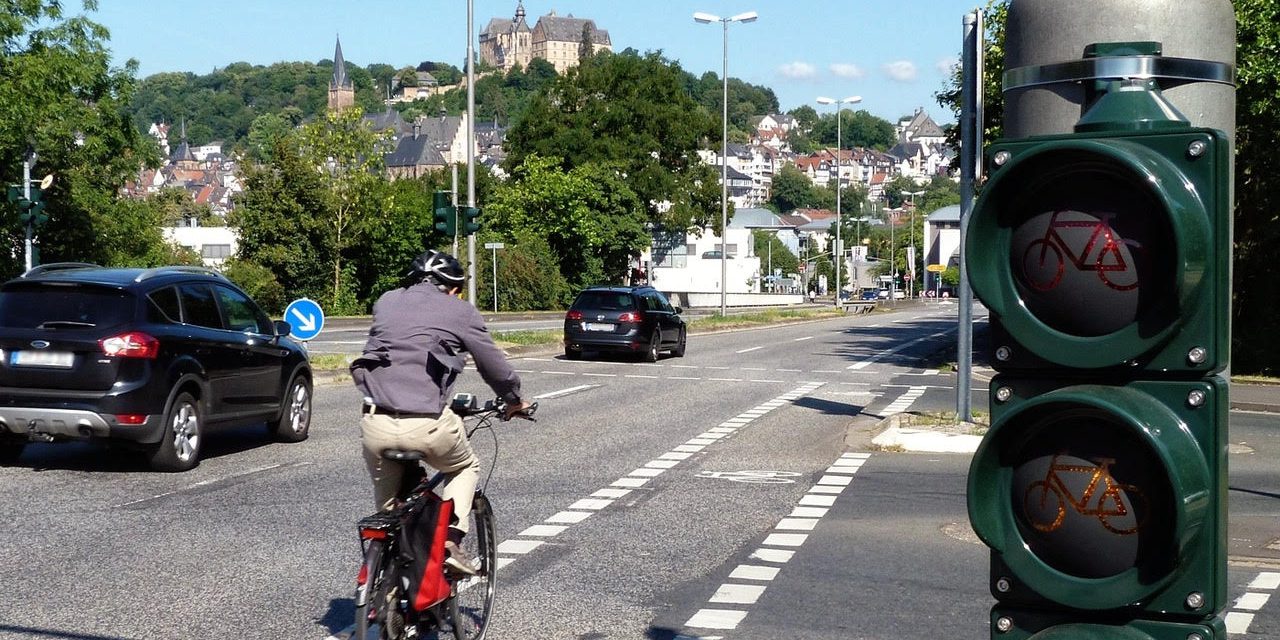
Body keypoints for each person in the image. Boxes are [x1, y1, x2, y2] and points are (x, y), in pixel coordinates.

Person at [351, 249, 531, 574]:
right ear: (453, 288)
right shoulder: (459, 311)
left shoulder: (387, 301)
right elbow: (495, 368)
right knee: (464, 467)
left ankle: (389, 596)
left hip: (374, 422)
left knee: (391, 515)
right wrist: (514, 400)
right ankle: (451, 542)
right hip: (428, 424)